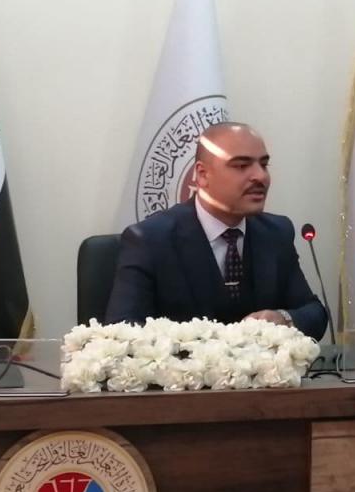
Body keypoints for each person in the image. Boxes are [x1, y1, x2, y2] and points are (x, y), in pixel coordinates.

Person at [106, 122, 328, 339]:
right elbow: (122, 331)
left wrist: (283, 319)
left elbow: (314, 313)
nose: (260, 176)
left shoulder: (275, 233)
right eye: (241, 166)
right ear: (203, 174)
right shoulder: (150, 240)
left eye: (264, 164)